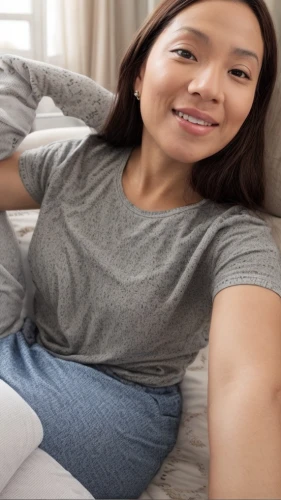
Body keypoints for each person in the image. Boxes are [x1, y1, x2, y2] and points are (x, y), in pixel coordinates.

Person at [1, 0, 281, 498]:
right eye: (185, 52)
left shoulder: (235, 237)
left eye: (239, 72)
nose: (207, 87)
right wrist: (105, 108)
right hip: (19, 363)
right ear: (138, 69)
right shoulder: (76, 162)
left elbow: (249, 387)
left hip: (113, 416)